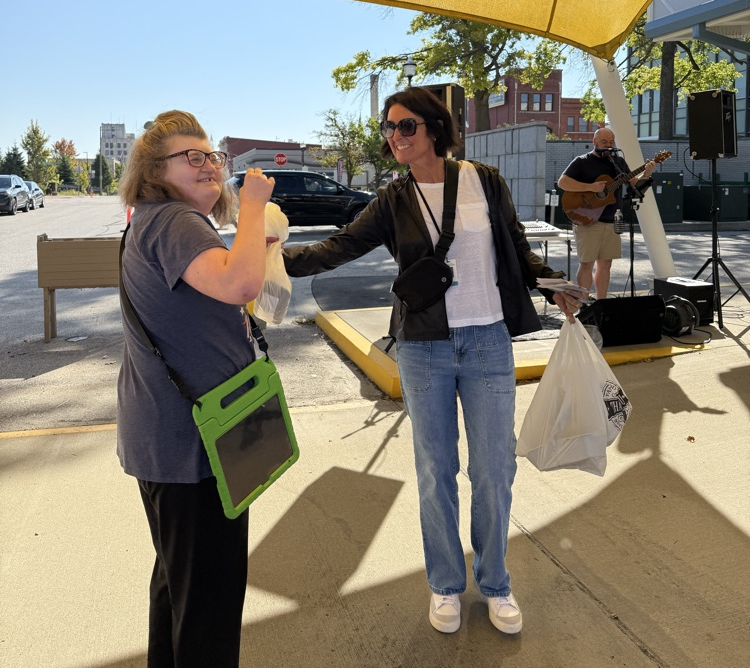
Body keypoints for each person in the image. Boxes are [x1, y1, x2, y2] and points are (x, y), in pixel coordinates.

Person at [283, 87, 584, 635]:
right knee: (435, 472)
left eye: (405, 126)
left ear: (433, 128)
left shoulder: (483, 180)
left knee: (494, 469)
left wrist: (552, 286)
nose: (393, 137)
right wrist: (269, 265)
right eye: (389, 128)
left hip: (488, 341)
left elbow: (515, 248)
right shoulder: (393, 199)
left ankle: (495, 582)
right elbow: (338, 247)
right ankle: (445, 584)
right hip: (424, 348)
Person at [117, 110, 275, 668]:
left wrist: (255, 235)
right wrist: (253, 205)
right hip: (194, 446)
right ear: (154, 170)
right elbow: (240, 283)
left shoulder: (156, 221)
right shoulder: (175, 221)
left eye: (212, 155)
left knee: (179, 589)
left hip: (170, 439)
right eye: (193, 157)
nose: (210, 165)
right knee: (208, 606)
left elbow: (225, 285)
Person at [558, 128, 655, 299]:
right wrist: (590, 187)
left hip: (611, 220)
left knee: (606, 264)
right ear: (594, 141)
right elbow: (563, 182)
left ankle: (601, 303)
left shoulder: (618, 162)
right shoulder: (582, 161)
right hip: (587, 219)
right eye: (604, 142)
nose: (609, 145)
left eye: (611, 142)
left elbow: (636, 186)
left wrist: (646, 173)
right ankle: (583, 304)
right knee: (586, 264)